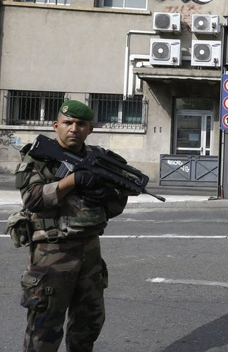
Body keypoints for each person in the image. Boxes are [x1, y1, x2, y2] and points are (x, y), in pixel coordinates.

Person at [15, 100, 130, 351]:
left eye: (81, 124)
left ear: (91, 128)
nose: (74, 129)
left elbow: (116, 204)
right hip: (51, 253)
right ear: (56, 126)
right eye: (68, 123)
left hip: (89, 250)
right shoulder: (38, 157)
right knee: (44, 330)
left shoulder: (100, 160)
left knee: (88, 325)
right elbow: (33, 199)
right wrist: (74, 180)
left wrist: (104, 195)